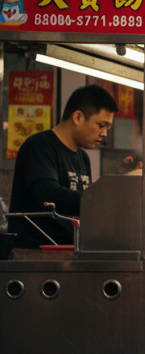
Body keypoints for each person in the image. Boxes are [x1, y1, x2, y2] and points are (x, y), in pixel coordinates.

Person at [9, 84, 116, 250]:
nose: (104, 133)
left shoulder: (82, 157)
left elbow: (80, 205)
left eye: (107, 128)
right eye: (101, 125)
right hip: (36, 252)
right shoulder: (39, 146)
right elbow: (46, 193)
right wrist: (98, 201)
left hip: (69, 251)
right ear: (78, 117)